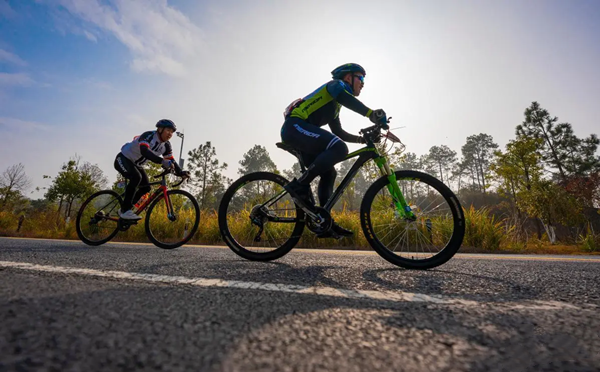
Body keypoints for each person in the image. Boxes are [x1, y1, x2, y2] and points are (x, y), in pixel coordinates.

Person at [281, 63, 387, 238]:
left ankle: (323, 221)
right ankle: (299, 185)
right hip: (294, 126)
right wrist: (370, 114)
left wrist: (363, 140)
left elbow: (338, 132)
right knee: (339, 148)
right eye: (360, 78)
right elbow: (346, 99)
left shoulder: (334, 105)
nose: (362, 83)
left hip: (303, 133)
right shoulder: (335, 87)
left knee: (329, 173)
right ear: (348, 78)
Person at [114, 119, 189, 220]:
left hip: (137, 165)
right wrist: (162, 161)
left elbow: (171, 160)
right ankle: (125, 210)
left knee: (146, 188)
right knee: (136, 177)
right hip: (123, 158)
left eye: (172, 132)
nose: (170, 134)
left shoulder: (166, 145)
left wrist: (180, 172)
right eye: (168, 130)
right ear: (160, 129)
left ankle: (125, 208)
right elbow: (145, 151)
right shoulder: (148, 136)